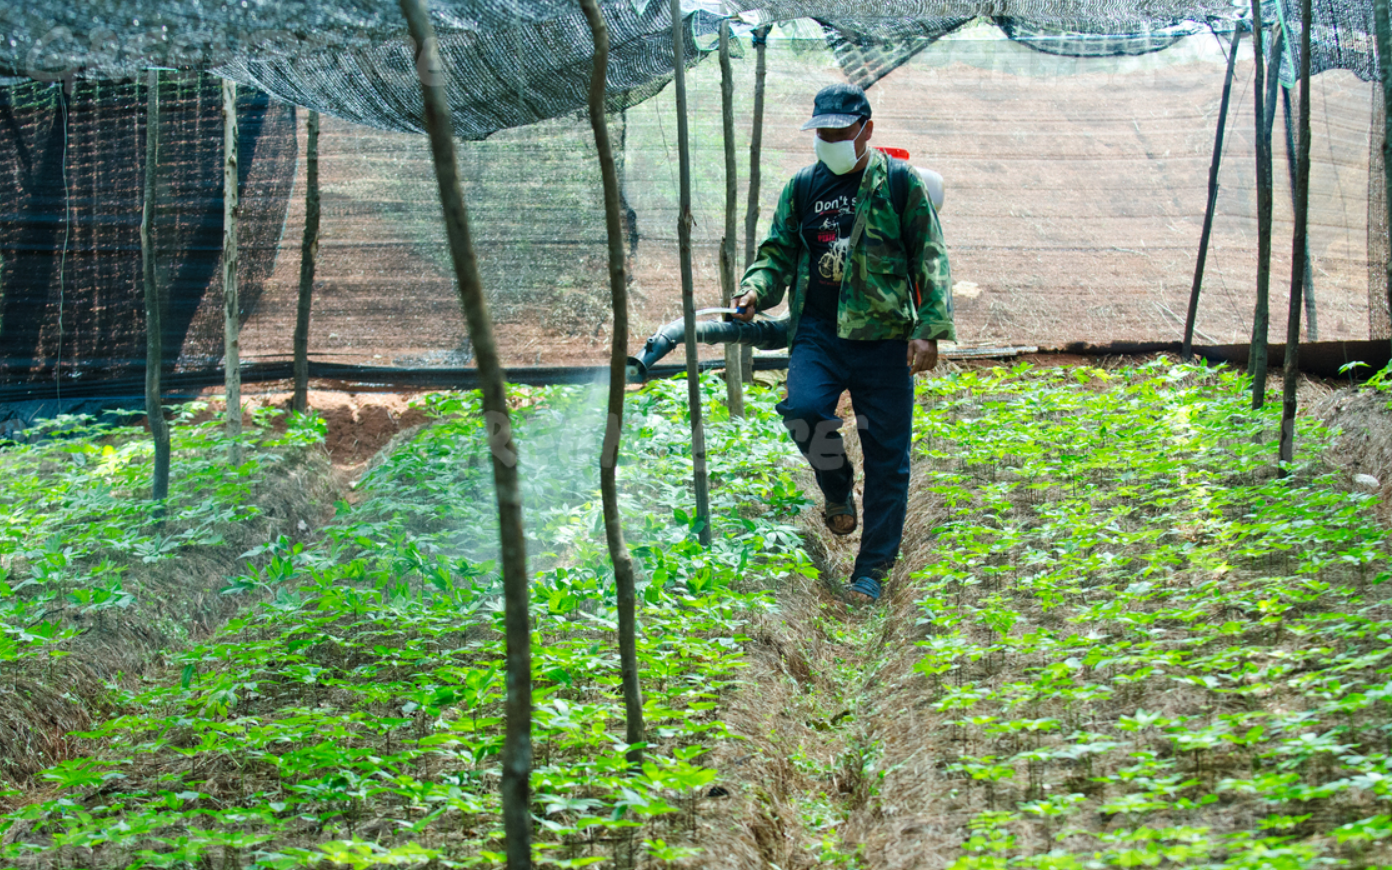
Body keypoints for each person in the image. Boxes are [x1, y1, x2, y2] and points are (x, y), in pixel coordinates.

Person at [732, 82, 954, 604]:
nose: (828, 140)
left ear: (866, 131)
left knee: (888, 456)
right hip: (819, 331)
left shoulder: (899, 184)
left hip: (884, 338)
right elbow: (777, 254)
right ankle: (835, 484)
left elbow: (931, 256)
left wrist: (928, 328)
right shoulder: (803, 187)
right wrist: (754, 291)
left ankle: (871, 570)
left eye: (839, 132)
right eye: (822, 132)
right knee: (804, 410)